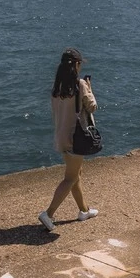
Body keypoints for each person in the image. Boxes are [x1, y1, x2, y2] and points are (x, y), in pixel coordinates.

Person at [38, 47, 99, 231]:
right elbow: (93, 107)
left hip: (61, 136)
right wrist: (89, 89)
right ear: (77, 65)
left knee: (76, 175)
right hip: (76, 138)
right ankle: (48, 214)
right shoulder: (79, 85)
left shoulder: (57, 87)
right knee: (70, 178)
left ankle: (84, 210)